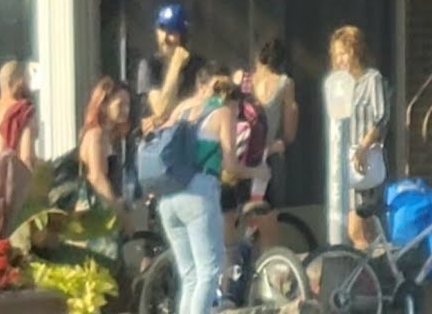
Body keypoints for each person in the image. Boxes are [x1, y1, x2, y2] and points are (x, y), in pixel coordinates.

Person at [157, 65, 265, 314]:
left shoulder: (181, 109)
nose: (237, 114)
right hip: (198, 194)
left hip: (168, 195)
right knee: (209, 270)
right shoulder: (221, 112)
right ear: (232, 100)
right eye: (238, 109)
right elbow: (230, 165)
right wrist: (256, 172)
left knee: (190, 275)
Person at [328, 26, 389, 250]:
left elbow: (381, 119)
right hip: (345, 163)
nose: (340, 59)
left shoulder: (372, 80)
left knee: (356, 230)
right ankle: (377, 275)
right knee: (363, 231)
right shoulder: (338, 84)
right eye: (336, 54)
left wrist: (362, 148)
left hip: (365, 162)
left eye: (344, 53)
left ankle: (365, 280)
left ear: (356, 52)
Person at [234, 36, 298, 248]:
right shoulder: (285, 84)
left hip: (237, 159)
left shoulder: (240, 79)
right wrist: (280, 144)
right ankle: (268, 274)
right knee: (268, 226)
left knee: (234, 220)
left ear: (257, 57)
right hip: (266, 159)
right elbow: (290, 132)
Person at [137, 3, 207, 130]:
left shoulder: (199, 66)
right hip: (157, 143)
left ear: (183, 36)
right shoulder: (149, 65)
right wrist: (175, 66)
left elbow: (204, 107)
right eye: (161, 30)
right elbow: (162, 109)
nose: (164, 38)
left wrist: (169, 116)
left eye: (171, 32)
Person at [78, 77, 133, 220]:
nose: (125, 110)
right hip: (96, 217)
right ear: (104, 104)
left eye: (128, 105)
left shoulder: (108, 137)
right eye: (120, 104)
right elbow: (97, 177)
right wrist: (119, 215)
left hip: (105, 213)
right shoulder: (96, 134)